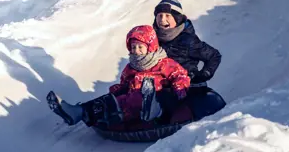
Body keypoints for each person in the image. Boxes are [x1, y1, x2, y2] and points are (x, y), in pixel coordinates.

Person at [47, 25, 190, 127]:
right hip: (131, 99)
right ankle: (78, 112)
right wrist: (118, 88)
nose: (136, 51)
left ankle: (153, 110)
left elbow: (180, 75)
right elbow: (125, 83)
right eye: (133, 47)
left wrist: (179, 87)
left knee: (138, 97)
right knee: (109, 101)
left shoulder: (163, 63)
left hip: (158, 97)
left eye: (140, 47)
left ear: (151, 47)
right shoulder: (131, 67)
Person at [153, 0, 221, 88]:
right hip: (161, 88)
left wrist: (203, 75)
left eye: (167, 15)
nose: (162, 19)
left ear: (177, 19)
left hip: (187, 88)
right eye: (159, 15)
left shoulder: (188, 40)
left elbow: (214, 55)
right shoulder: (152, 38)